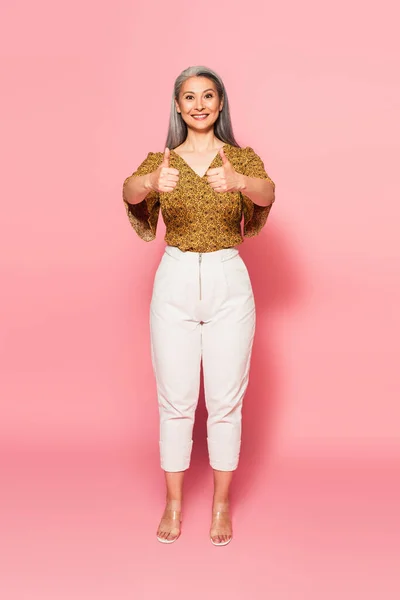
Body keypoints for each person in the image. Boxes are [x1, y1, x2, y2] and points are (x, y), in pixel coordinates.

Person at [122, 65, 275, 546]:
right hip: (176, 278)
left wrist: (240, 183)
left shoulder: (241, 159)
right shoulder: (161, 161)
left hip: (229, 277)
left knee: (226, 400)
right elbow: (127, 191)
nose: (200, 104)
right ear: (177, 106)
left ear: (221, 103)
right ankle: (172, 502)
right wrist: (149, 183)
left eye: (208, 95)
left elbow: (270, 192)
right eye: (189, 97)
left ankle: (221, 504)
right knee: (176, 399)